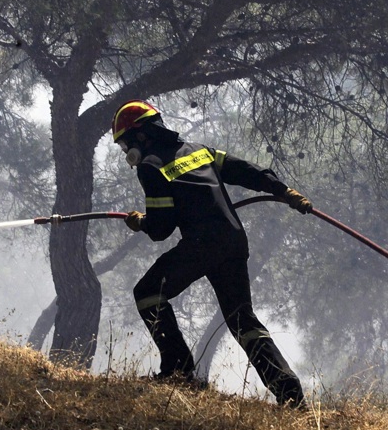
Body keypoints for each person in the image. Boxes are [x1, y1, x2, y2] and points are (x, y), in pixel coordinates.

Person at [112, 99, 312, 408]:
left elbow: (161, 229)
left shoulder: (151, 165)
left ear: (141, 135)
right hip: (233, 240)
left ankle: (178, 370)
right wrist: (283, 191)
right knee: (242, 320)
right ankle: (291, 396)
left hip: (202, 245)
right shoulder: (199, 150)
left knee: (148, 293)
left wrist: (141, 223)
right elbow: (245, 171)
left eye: (125, 144)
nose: (127, 153)